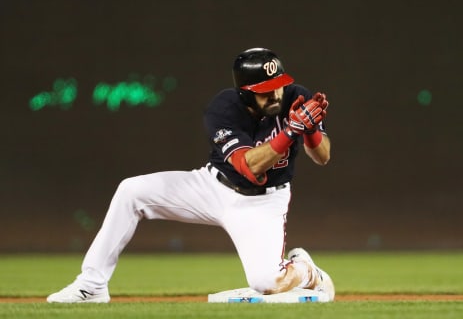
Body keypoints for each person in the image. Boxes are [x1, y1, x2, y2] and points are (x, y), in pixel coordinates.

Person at [47, 47, 335, 303]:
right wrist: (290, 131)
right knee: (131, 191)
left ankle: (306, 271)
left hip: (264, 204)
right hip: (211, 187)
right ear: (246, 91)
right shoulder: (223, 109)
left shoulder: (297, 96)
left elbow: (323, 157)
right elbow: (249, 166)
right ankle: (92, 285)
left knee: (266, 282)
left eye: (279, 85)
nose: (275, 94)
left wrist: (309, 131)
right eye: (265, 89)